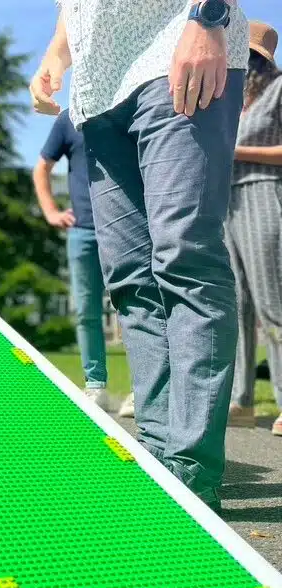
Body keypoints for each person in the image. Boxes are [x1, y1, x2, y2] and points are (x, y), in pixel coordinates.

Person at [30, 0, 249, 513]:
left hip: (178, 47)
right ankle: (156, 451)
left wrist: (208, 16)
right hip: (99, 92)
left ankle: (191, 471)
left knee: (185, 256)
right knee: (129, 277)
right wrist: (56, 54)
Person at [33, 109, 135, 417]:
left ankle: (142, 391)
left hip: (125, 227)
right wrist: (50, 211)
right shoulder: (68, 119)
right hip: (82, 232)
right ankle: (95, 386)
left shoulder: (127, 107)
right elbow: (42, 168)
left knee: (133, 308)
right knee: (86, 311)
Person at [225, 21, 282, 437]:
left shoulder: (279, 89)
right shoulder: (233, 98)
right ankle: (241, 400)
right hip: (225, 200)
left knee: (271, 302)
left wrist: (235, 150)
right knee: (235, 304)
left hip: (264, 193)